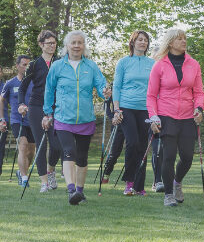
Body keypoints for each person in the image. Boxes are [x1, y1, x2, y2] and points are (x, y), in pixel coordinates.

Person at [43, 30, 111, 205]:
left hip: (85, 118)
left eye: (80, 42)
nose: (76, 45)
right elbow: (49, 90)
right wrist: (47, 113)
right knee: (68, 152)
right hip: (63, 117)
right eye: (73, 42)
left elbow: (102, 85)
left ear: (84, 46)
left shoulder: (91, 66)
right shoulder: (57, 66)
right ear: (67, 45)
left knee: (82, 157)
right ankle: (71, 190)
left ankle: (80, 191)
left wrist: (106, 92)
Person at [146, 29, 204, 207]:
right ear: (171, 43)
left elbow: (199, 92)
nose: (184, 41)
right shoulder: (160, 65)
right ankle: (169, 195)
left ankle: (177, 182)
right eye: (180, 39)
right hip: (166, 115)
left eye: (185, 38)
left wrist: (199, 108)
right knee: (169, 156)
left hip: (188, 116)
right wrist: (154, 117)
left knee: (187, 157)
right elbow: (151, 95)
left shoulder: (193, 64)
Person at [111, 31, 156, 196]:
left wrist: (156, 112)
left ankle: (139, 186)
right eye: (139, 40)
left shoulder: (152, 63)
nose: (143, 42)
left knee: (143, 147)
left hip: (146, 109)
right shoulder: (123, 62)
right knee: (132, 143)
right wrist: (117, 109)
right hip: (126, 107)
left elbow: (156, 88)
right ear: (133, 42)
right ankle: (129, 183)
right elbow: (116, 86)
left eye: (145, 40)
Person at [18, 30, 62, 193]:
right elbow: (22, 87)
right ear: (41, 44)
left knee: (57, 145)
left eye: (54, 43)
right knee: (41, 145)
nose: (52, 46)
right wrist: (21, 104)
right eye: (49, 43)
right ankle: (44, 182)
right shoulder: (34, 64)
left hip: (56, 108)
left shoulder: (60, 62)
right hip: (36, 107)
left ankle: (51, 170)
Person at [0, 55, 36, 186]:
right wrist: (2, 119)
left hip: (32, 120)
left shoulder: (34, 82)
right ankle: (24, 178)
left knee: (31, 151)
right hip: (16, 120)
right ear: (17, 66)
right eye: (24, 64)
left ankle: (21, 171)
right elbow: (1, 100)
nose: (26, 67)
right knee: (23, 145)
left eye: (28, 65)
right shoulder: (10, 83)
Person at [101, 98, 126, 184]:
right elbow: (106, 105)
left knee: (133, 149)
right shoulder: (114, 88)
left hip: (132, 121)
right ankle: (106, 173)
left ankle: (131, 179)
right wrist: (112, 117)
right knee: (114, 152)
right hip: (118, 124)